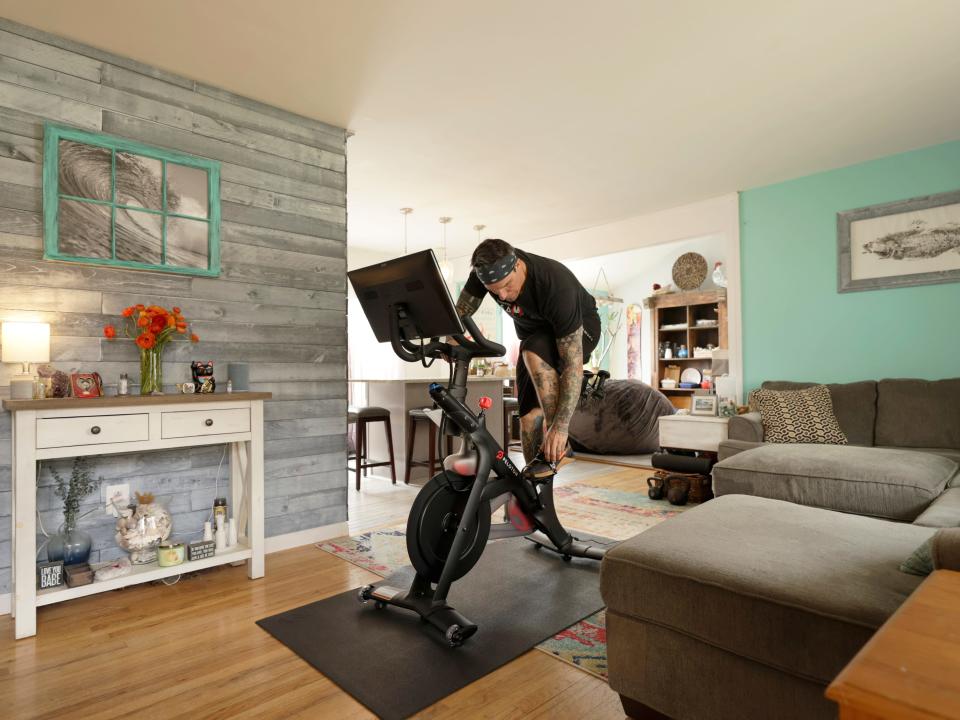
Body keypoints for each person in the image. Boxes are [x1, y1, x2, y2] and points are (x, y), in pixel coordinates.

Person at [454, 238, 600, 478]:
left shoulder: (554, 284)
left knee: (532, 347)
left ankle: (561, 450)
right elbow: (460, 314)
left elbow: (573, 363)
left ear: (518, 265)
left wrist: (560, 428)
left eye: (508, 285)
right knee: (527, 417)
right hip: (534, 341)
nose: (503, 295)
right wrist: (451, 341)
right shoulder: (485, 275)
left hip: (582, 330)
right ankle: (535, 478)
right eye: (495, 290)